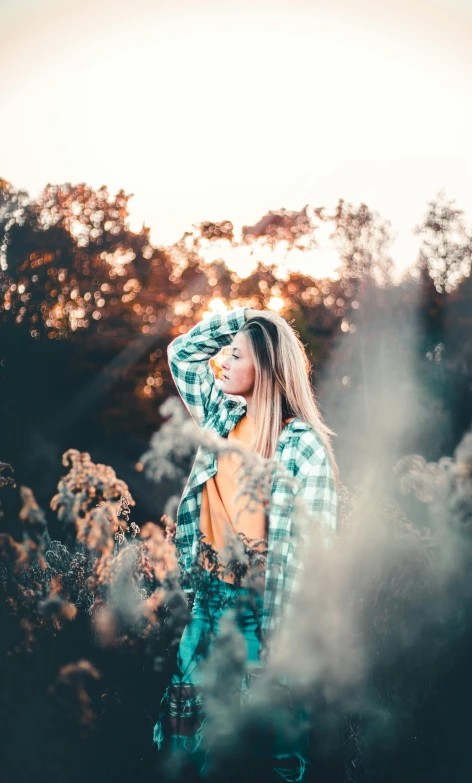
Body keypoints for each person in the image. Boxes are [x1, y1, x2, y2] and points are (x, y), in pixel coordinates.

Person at [153, 305, 338, 781]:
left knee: (264, 747)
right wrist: (248, 318)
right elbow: (183, 355)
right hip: (207, 601)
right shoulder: (220, 414)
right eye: (228, 354)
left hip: (265, 614)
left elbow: (315, 557)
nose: (223, 363)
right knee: (185, 739)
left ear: (268, 369)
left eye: (236, 356)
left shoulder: (301, 445)